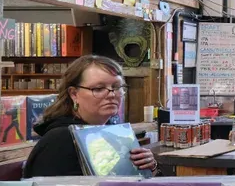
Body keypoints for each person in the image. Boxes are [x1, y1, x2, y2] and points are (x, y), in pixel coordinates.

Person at [23, 55, 157, 177]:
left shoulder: (116, 133)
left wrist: (148, 167)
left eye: (116, 87)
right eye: (98, 89)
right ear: (74, 94)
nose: (111, 94)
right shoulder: (60, 140)